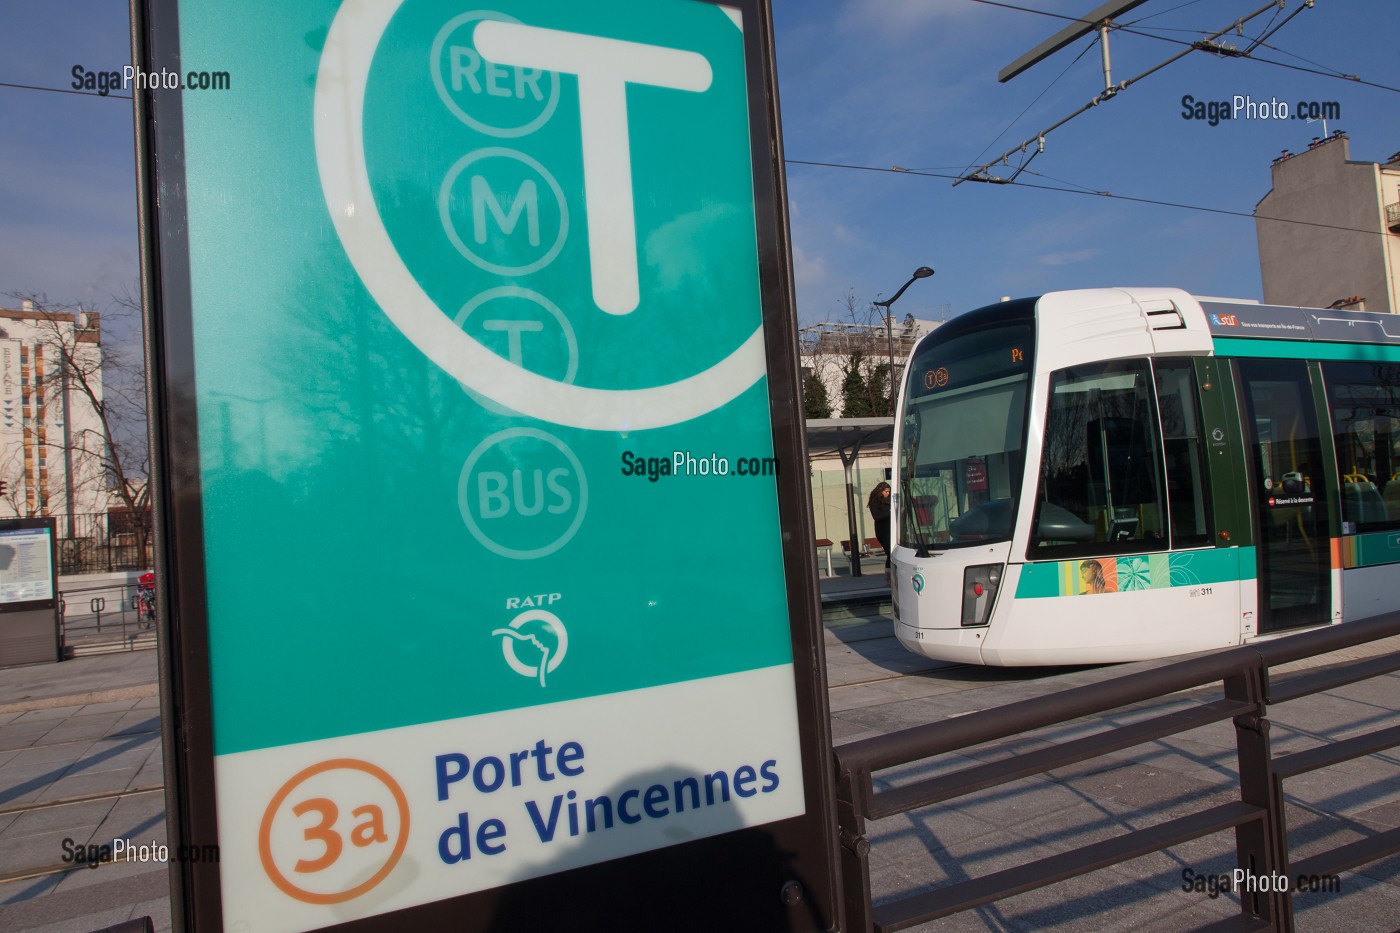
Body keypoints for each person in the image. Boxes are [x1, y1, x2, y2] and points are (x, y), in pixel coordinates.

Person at [868, 481, 892, 568]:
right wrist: (890, 512)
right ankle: (889, 574)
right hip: (883, 531)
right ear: (880, 491)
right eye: (886, 492)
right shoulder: (874, 501)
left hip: (892, 529)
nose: (888, 493)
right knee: (890, 553)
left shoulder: (891, 500)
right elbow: (876, 516)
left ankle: (890, 574)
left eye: (889, 491)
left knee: (893, 554)